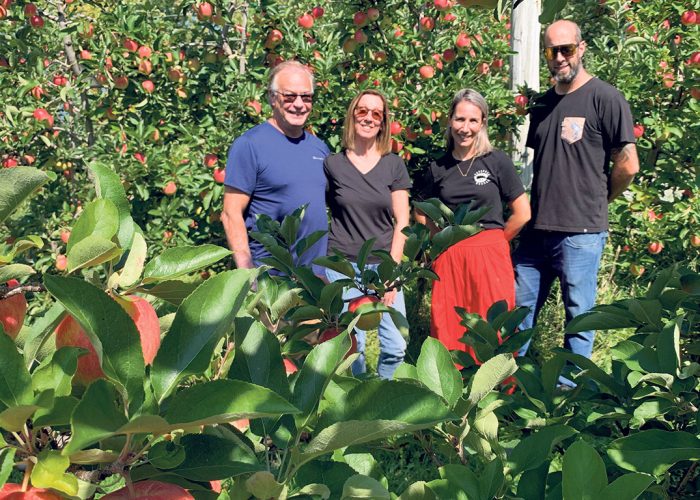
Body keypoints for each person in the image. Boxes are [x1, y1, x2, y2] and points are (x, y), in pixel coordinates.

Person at [514, 20, 639, 368]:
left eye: (566, 49)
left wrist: (600, 199)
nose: (559, 58)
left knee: (579, 322)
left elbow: (628, 165)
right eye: (551, 51)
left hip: (581, 234)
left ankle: (572, 401)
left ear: (581, 49)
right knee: (515, 317)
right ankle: (506, 391)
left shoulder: (606, 98)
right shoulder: (541, 105)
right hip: (536, 231)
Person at [416, 88, 531, 364]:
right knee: (448, 325)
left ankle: (499, 397)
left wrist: (496, 241)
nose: (465, 128)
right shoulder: (438, 166)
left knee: (493, 326)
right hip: (450, 256)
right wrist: (440, 239)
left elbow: (522, 212)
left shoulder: (496, 161)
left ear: (482, 124)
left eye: (472, 121)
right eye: (459, 119)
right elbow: (419, 211)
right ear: (449, 121)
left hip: (490, 253)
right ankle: (452, 395)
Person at [324, 90, 412, 379]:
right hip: (343, 265)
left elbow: (403, 221)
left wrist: (392, 273)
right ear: (352, 115)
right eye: (363, 111)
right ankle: (359, 402)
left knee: (396, 345)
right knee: (354, 347)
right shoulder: (332, 164)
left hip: (382, 265)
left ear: (384, 122)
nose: (369, 118)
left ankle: (383, 393)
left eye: (377, 113)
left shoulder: (393, 164)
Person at [222, 61, 329, 272]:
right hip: (271, 277)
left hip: (315, 278)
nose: (299, 104)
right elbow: (230, 213)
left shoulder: (319, 148)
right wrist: (247, 272)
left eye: (306, 97)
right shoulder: (250, 145)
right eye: (289, 96)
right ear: (272, 98)